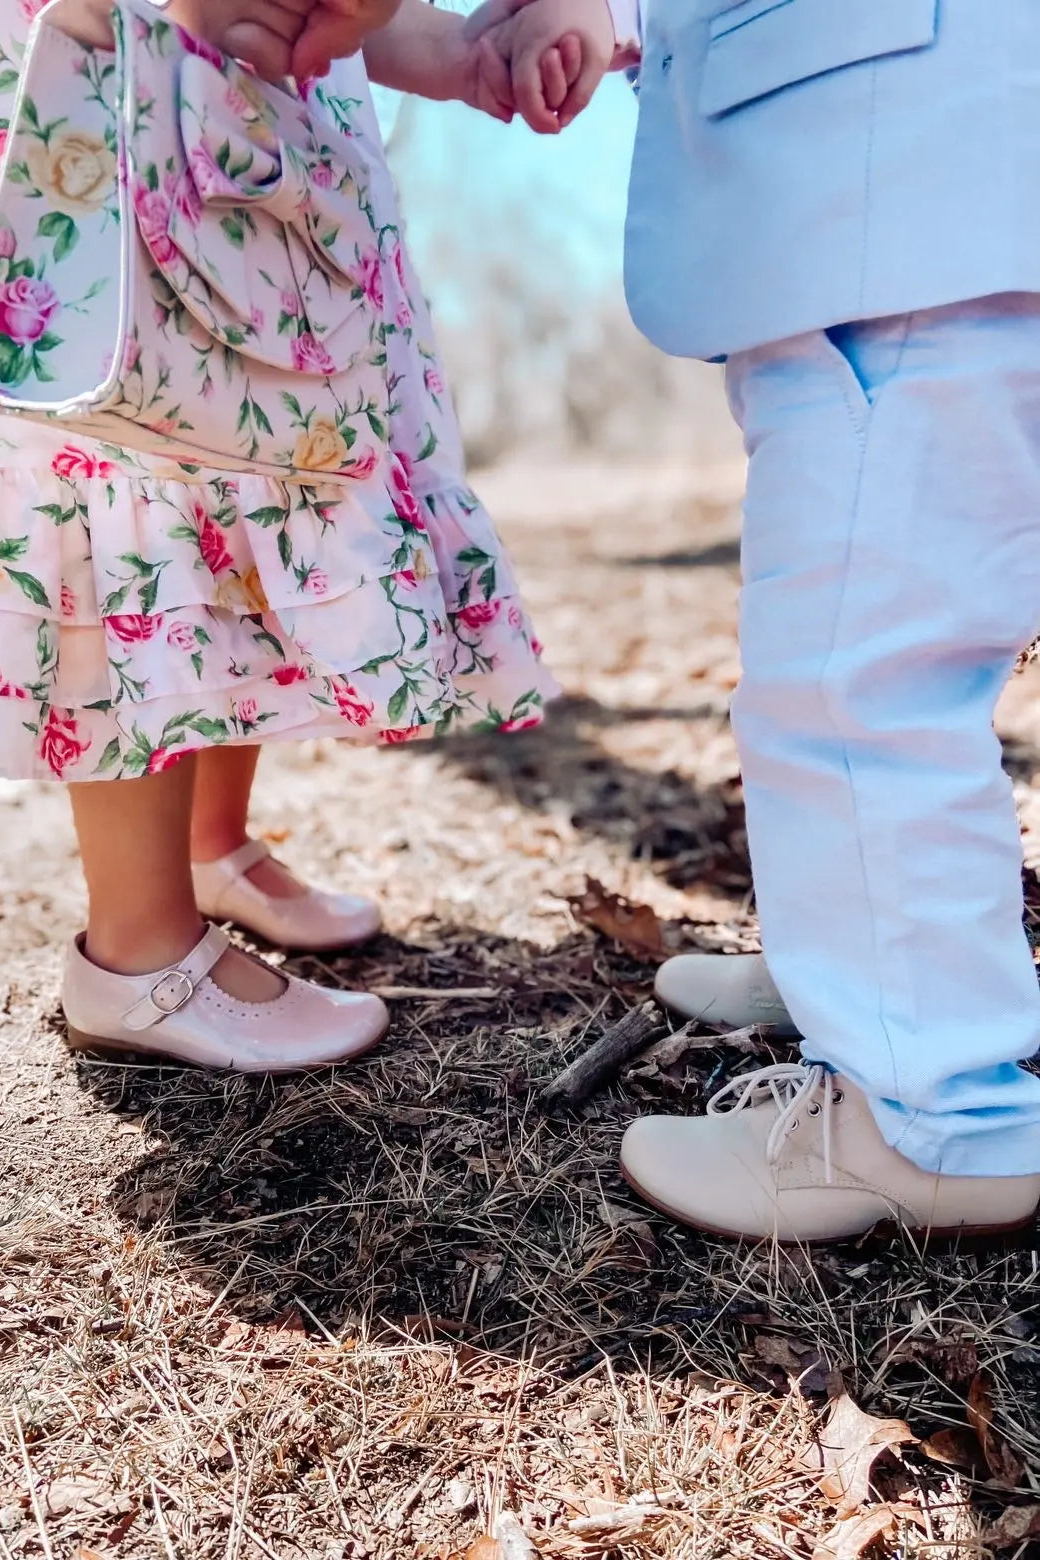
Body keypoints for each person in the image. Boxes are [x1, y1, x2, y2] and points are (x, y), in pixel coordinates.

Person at [0, 0, 555, 1072]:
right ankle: (137, 953)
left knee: (258, 441)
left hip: (239, 74)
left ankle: (209, 848)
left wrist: (468, 55)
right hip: (87, 44)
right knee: (130, 443)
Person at [467, 0, 1040, 1242]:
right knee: (880, 646)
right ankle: (866, 968)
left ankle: (926, 1112)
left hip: (899, 206)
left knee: (856, 684)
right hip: (916, 205)